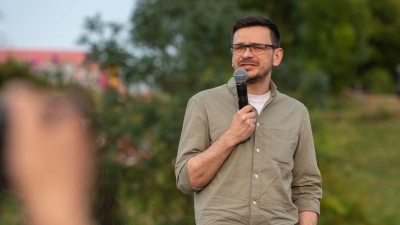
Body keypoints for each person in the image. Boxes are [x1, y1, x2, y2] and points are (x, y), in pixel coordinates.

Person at [175, 16, 322, 225]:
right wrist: (230, 137)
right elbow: (187, 180)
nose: (246, 54)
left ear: (277, 56)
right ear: (232, 55)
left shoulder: (296, 112)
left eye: (257, 47)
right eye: (239, 47)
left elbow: (307, 187)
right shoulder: (203, 104)